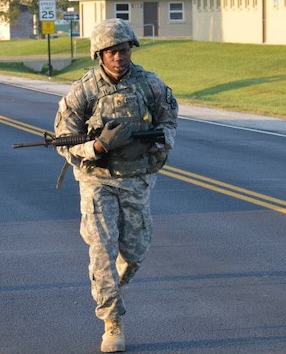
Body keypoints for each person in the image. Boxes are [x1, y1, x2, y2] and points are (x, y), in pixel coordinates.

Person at [54, 18, 178, 352]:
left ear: (130, 50)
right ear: (99, 54)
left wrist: (156, 143)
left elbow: (169, 120)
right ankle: (112, 322)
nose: (118, 57)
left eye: (122, 50)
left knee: (134, 252)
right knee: (102, 249)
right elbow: (63, 138)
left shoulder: (149, 84)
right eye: (111, 52)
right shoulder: (84, 90)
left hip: (136, 178)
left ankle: (110, 288)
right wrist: (96, 147)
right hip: (97, 180)